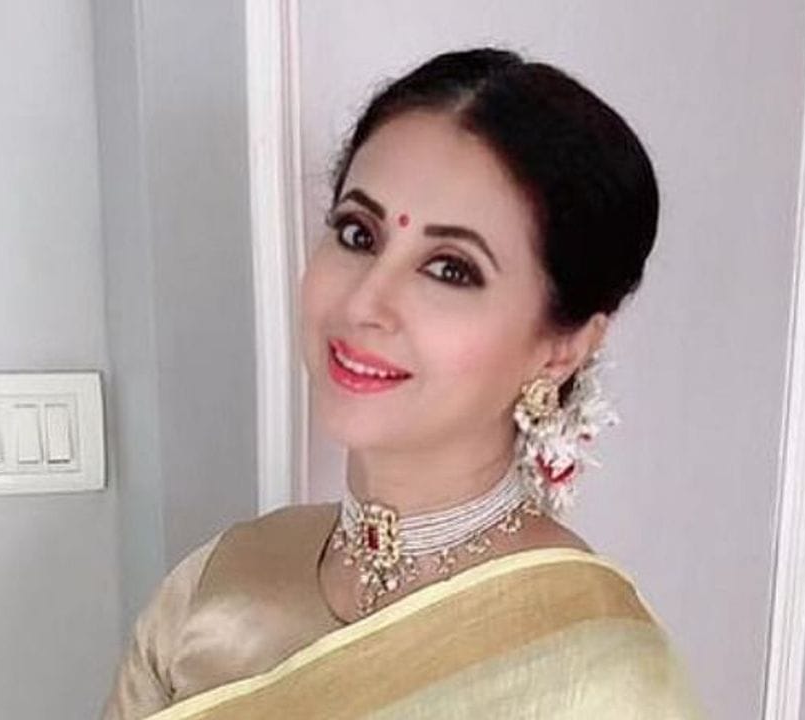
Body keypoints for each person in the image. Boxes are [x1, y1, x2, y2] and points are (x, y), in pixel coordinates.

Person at [102, 47, 703, 719]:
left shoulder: (601, 677)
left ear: (562, 348)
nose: (365, 302)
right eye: (358, 234)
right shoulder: (213, 589)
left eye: (450, 269)